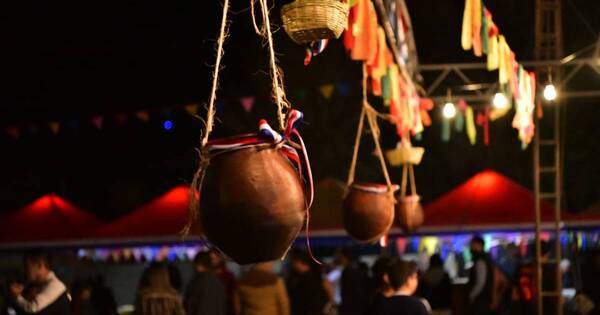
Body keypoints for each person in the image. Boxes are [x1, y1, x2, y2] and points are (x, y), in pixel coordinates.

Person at [8, 249, 70, 315]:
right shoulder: (35, 285)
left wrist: (16, 297)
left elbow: (32, 308)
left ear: (40, 265)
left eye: (27, 266)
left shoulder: (55, 285)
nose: (25, 271)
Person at [286, 250, 329, 315]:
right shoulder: (315, 276)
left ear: (299, 261)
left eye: (294, 261)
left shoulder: (304, 278)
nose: (292, 264)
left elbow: (303, 299)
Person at [338, 248, 371, 315]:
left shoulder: (348, 271)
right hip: (361, 306)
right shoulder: (358, 269)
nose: (339, 259)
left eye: (340, 256)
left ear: (344, 257)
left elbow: (348, 292)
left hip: (352, 307)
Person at [467, 236, 494, 315]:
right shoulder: (486, 258)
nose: (470, 248)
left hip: (481, 300)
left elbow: (480, 282)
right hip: (484, 299)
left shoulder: (480, 260)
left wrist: (471, 295)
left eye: (472, 245)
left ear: (478, 245)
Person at [209, 249, 236, 315]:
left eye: (215, 258)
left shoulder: (228, 276)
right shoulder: (207, 276)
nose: (213, 261)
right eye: (211, 259)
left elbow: (233, 294)